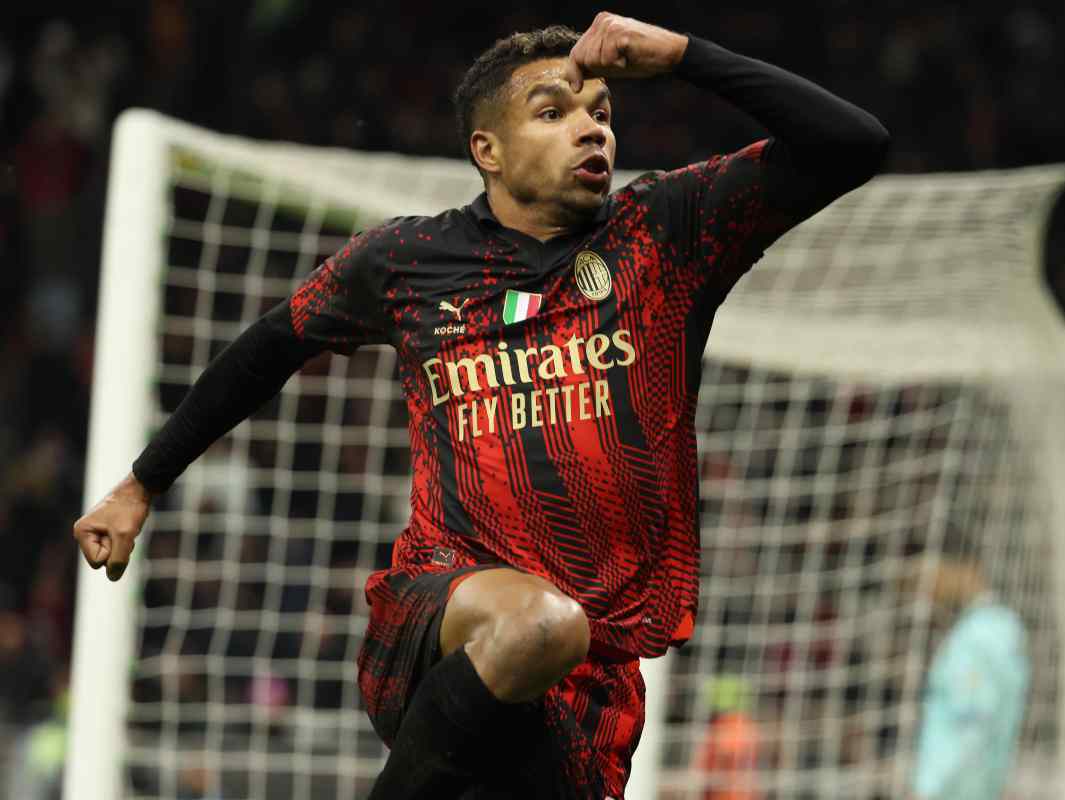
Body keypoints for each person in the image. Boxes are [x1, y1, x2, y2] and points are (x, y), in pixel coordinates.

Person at [73, 12, 888, 798]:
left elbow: (852, 143)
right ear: (486, 150)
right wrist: (142, 483)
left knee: (554, 639)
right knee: (541, 625)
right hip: (440, 612)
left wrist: (682, 55)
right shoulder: (409, 259)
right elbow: (268, 348)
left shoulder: (664, 234)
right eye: (554, 112)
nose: (592, 130)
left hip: (592, 686)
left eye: (602, 113)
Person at [909, 555, 1030, 800]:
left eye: (931, 577)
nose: (927, 592)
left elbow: (968, 724)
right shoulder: (1007, 627)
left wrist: (928, 789)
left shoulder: (974, 639)